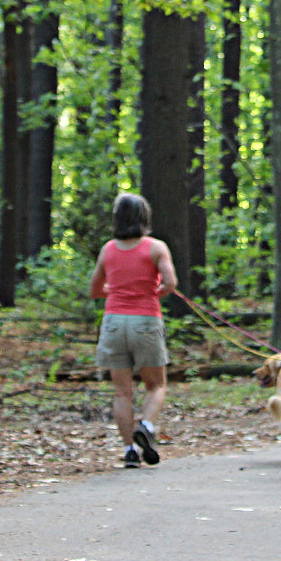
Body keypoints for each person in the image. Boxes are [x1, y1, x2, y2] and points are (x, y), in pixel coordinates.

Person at [87, 192, 178, 468]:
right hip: (145, 320)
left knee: (121, 393)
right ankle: (147, 426)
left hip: (114, 321)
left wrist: (114, 289)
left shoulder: (108, 249)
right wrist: (154, 292)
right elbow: (170, 283)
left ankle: (129, 450)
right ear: (144, 217)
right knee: (156, 385)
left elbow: (94, 290)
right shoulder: (156, 247)